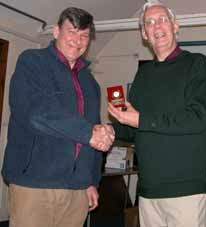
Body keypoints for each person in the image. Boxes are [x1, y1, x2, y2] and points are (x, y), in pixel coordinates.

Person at [108, 1, 206, 227]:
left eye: (162, 20)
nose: (156, 26)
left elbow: (197, 118)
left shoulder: (197, 64)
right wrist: (110, 129)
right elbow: (135, 129)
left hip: (186, 189)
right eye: (149, 22)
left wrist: (140, 119)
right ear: (144, 34)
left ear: (175, 26)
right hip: (148, 190)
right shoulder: (144, 74)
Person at [2, 7, 115, 227]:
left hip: (77, 190)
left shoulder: (91, 84)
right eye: (72, 31)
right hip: (34, 184)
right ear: (56, 32)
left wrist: (91, 181)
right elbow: (35, 113)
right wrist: (89, 133)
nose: (78, 40)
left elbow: (90, 135)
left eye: (84, 35)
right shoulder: (32, 62)